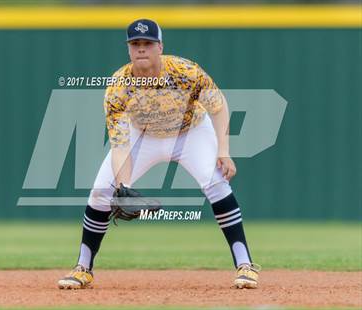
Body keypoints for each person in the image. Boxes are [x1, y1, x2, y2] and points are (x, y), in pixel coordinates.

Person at [58, 19, 260, 290]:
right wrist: (124, 186)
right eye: (135, 44)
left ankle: (245, 265)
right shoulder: (118, 85)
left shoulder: (184, 71)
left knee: (216, 184)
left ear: (160, 46)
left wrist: (224, 150)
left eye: (148, 43)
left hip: (191, 132)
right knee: (100, 192)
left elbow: (218, 104)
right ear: (129, 50)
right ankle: (83, 268)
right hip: (143, 136)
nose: (142, 48)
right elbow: (120, 143)